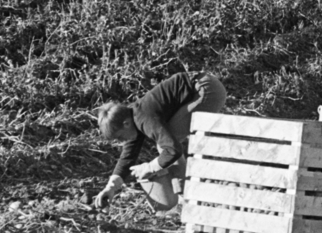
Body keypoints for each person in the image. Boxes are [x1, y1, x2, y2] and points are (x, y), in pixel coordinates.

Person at [93, 71, 228, 211]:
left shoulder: (144, 118)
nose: (122, 141)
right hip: (202, 85)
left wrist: (150, 167)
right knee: (167, 143)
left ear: (126, 124)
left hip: (206, 89)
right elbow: (127, 157)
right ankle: (186, 194)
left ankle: (187, 197)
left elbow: (173, 150)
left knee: (166, 146)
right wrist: (110, 187)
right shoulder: (133, 117)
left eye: (120, 137)